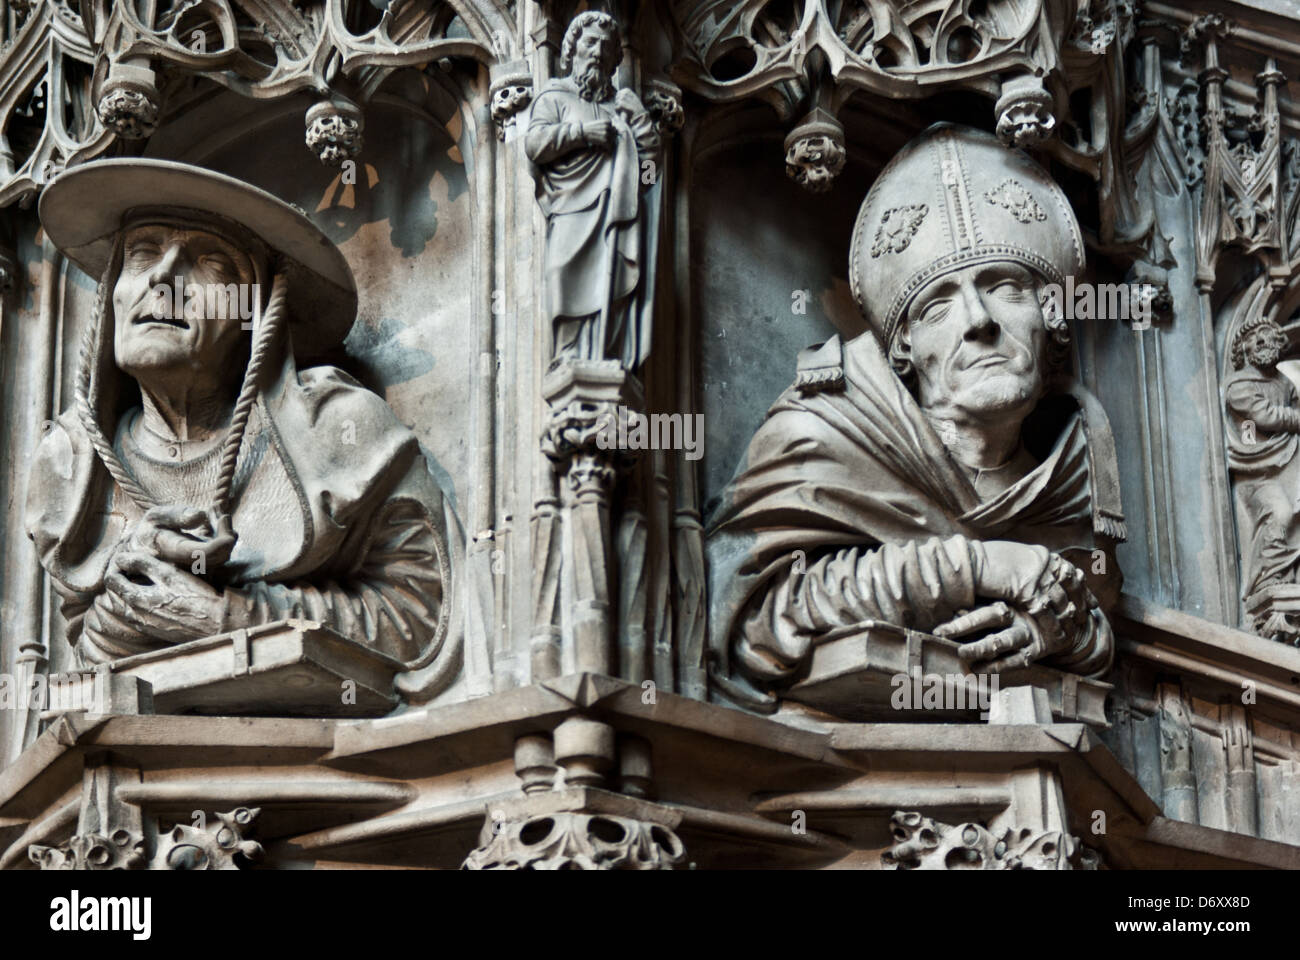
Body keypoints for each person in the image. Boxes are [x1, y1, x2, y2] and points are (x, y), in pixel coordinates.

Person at [707, 123, 1126, 711]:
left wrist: (1058, 631)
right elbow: (750, 618)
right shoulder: (826, 433)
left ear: (1050, 315)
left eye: (1003, 286)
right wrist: (981, 565)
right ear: (903, 348)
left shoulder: (1072, 467)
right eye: (938, 306)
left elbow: (1094, 617)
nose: (978, 321)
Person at [26, 159, 459, 686]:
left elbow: (418, 614)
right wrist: (128, 595)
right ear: (113, 292)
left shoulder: (337, 430)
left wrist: (232, 617)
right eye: (141, 254)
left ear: (256, 316)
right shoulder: (71, 469)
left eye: (209, 264)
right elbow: (89, 663)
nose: (162, 279)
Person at [525, 11, 659, 370]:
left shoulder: (623, 105)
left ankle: (607, 357)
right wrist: (583, 134)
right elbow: (535, 144)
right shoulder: (554, 96)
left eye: (606, 46)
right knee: (563, 274)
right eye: (590, 42)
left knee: (612, 284)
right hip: (570, 208)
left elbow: (648, 174)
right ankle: (568, 359)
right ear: (571, 50)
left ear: (617, 58)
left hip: (617, 214)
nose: (597, 52)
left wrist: (642, 122)